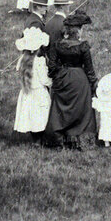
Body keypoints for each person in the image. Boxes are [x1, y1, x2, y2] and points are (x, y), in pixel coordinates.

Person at [45, 11, 99, 148]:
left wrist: (59, 76)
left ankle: (59, 140)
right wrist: (95, 85)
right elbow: (89, 70)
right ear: (79, 31)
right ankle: (80, 139)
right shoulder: (83, 46)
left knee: (60, 109)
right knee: (82, 110)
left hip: (63, 78)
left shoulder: (57, 45)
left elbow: (51, 67)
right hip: (80, 81)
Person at [12, 27, 52, 140]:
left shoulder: (21, 60)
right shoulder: (39, 61)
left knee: (29, 113)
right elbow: (44, 79)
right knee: (40, 114)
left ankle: (34, 136)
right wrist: (51, 82)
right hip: (39, 91)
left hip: (26, 91)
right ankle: (40, 136)